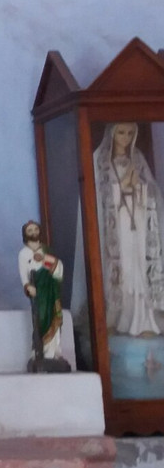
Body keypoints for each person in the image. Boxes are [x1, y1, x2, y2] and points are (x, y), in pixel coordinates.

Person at [93, 122, 164, 336]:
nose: (125, 137)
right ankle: (119, 315)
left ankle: (143, 317)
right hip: (116, 225)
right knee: (121, 269)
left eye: (130, 133)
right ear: (112, 133)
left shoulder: (138, 158)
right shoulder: (100, 161)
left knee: (139, 267)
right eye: (121, 132)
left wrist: (140, 187)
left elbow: (152, 191)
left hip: (139, 222)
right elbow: (96, 195)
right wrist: (122, 186)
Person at [18, 220, 66, 363]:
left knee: (55, 317)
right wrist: (27, 285)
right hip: (38, 290)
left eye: (35, 229)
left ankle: (53, 350)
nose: (33, 232)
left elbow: (58, 268)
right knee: (41, 318)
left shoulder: (46, 250)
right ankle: (40, 350)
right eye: (30, 230)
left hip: (51, 289)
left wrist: (44, 258)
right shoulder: (24, 253)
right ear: (25, 234)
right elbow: (23, 272)